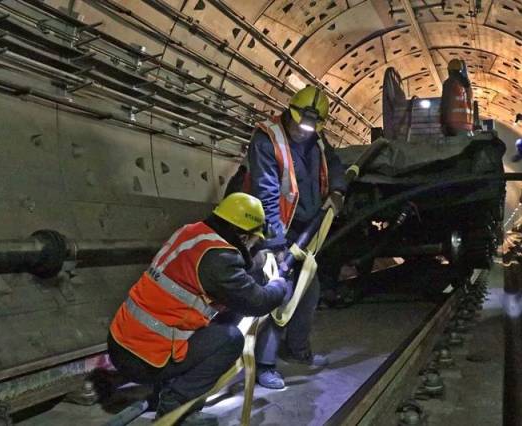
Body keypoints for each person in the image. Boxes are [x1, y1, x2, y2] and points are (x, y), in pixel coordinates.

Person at [107, 193, 293, 426]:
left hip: (121, 342)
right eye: (254, 241)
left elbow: (216, 271)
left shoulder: (192, 232)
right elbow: (258, 303)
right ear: (244, 236)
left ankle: (166, 388)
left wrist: (253, 262)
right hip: (144, 360)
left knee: (216, 318)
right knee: (231, 338)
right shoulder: (220, 260)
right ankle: (174, 406)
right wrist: (279, 284)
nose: (254, 245)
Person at [243, 85, 347, 389]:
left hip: (305, 230)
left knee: (309, 292)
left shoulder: (317, 137)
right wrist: (275, 246)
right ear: (290, 112)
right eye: (301, 124)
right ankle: (264, 366)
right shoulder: (267, 138)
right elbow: (267, 194)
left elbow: (336, 164)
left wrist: (338, 190)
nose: (305, 132)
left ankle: (297, 350)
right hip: (272, 229)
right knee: (280, 293)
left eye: (312, 127)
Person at [440, 58, 474, 136]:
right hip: (467, 125)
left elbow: (445, 104)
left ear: (450, 70)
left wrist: (442, 123)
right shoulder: (468, 86)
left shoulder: (449, 83)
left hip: (454, 125)